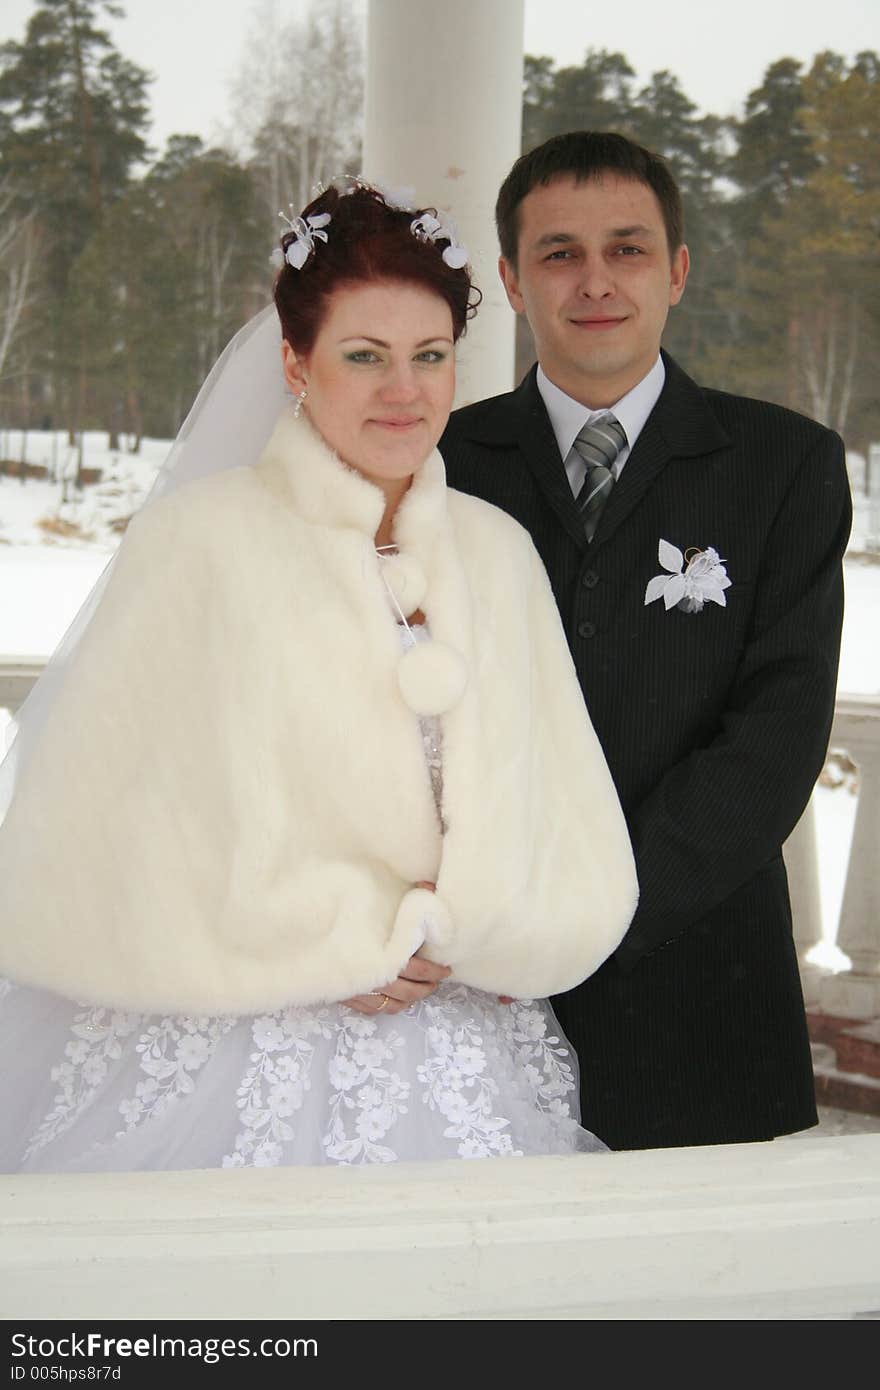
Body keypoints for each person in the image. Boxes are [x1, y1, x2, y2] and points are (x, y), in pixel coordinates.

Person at [0, 181, 637, 1172]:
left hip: (461, 1042)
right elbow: (104, 828)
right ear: (297, 364)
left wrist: (497, 921)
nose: (405, 390)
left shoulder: (496, 551)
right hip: (239, 1039)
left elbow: (557, 802)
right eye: (364, 356)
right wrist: (334, 936)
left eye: (429, 357)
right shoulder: (195, 543)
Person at [441, 131, 852, 1151]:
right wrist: (475, 918)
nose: (594, 282)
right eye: (558, 253)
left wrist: (587, 911)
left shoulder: (784, 465)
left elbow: (776, 738)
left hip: (698, 986)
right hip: (470, 989)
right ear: (510, 277)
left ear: (675, 271)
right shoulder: (441, 460)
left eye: (626, 250)